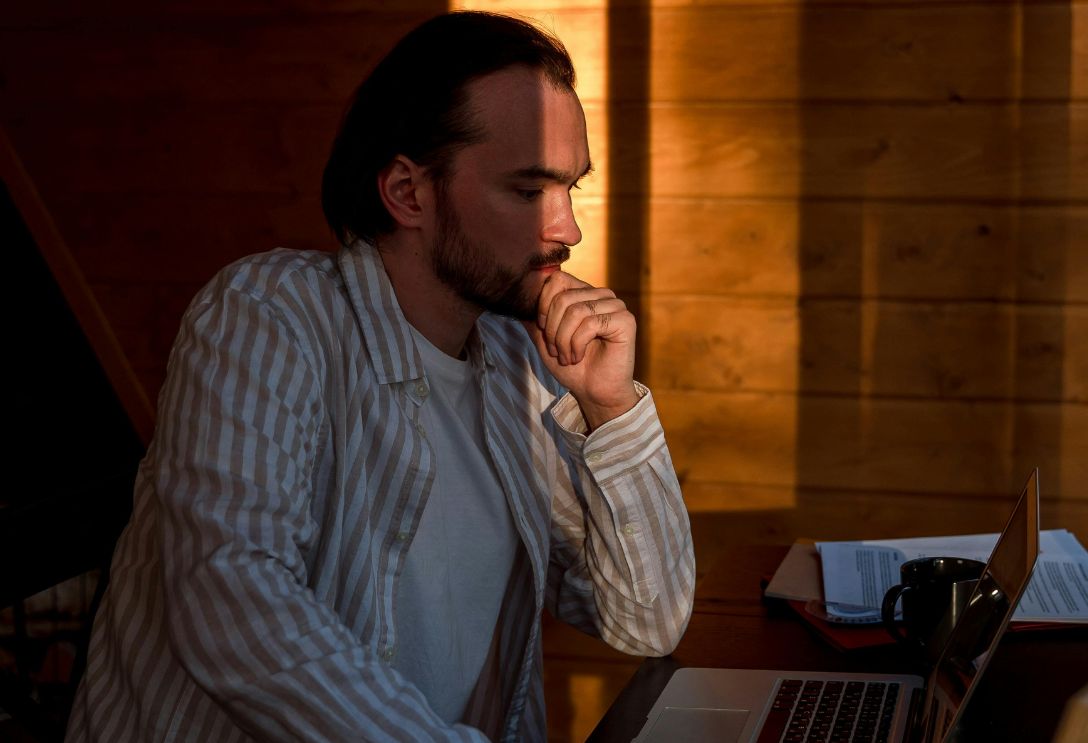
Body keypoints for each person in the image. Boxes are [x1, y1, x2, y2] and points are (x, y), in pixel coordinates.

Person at [67, 12, 694, 742]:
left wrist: (609, 407)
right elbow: (231, 597)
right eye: (528, 192)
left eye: (569, 188)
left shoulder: (521, 364)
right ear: (407, 191)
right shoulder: (269, 314)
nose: (568, 228)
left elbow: (647, 621)